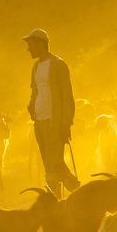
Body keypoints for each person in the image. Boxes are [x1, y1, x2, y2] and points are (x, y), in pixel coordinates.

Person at [23, 28, 80, 196]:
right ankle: (75, 189)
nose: (28, 49)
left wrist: (66, 122)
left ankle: (53, 200)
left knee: (51, 163)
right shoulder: (35, 67)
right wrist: (31, 106)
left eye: (31, 44)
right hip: (39, 120)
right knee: (52, 162)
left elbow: (67, 96)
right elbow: (35, 91)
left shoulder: (58, 65)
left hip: (55, 121)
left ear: (41, 43)